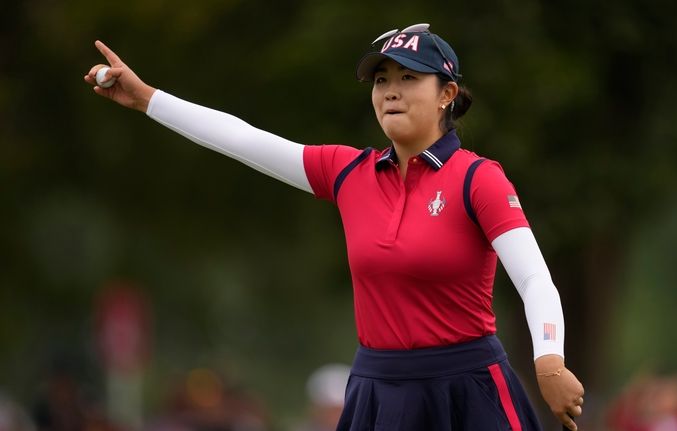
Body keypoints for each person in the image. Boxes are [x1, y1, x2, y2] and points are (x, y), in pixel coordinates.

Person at [84, 22, 585, 431]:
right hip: (378, 390)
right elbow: (242, 139)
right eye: (382, 80)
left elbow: (535, 279)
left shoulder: (479, 179)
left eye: (409, 78)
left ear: (446, 94)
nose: (391, 91)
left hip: (466, 388)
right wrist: (149, 98)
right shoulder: (348, 173)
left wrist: (549, 361)